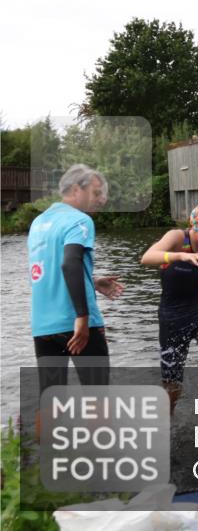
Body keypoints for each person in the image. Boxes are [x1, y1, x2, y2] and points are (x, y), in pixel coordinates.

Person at [28, 164, 124, 403]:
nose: (101, 200)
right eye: (96, 193)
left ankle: (41, 442)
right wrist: (81, 316)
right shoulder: (79, 220)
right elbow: (70, 263)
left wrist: (92, 280)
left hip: (43, 326)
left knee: (49, 400)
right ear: (74, 189)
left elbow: (50, 270)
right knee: (97, 400)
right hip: (79, 325)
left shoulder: (38, 223)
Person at [140, 199, 198, 412]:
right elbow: (146, 257)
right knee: (172, 386)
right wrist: (182, 255)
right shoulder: (177, 238)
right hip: (172, 317)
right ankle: (167, 424)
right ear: (193, 226)